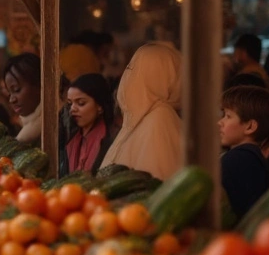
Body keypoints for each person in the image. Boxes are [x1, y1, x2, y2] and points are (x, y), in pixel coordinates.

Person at [101, 43, 184, 181]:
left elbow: (153, 187)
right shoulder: (146, 117)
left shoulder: (159, 121)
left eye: (134, 69)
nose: (128, 76)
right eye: (130, 68)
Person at [219, 85, 269, 218]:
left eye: (228, 116)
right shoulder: (249, 157)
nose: (220, 122)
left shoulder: (238, 159)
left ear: (250, 126)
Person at [60, 73, 118, 175]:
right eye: (70, 104)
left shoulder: (112, 140)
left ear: (100, 106)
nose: (72, 109)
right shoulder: (70, 139)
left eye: (81, 103)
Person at [3, 53, 42, 145]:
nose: (12, 100)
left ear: (39, 85)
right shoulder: (26, 133)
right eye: (9, 93)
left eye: (16, 90)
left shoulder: (61, 125)